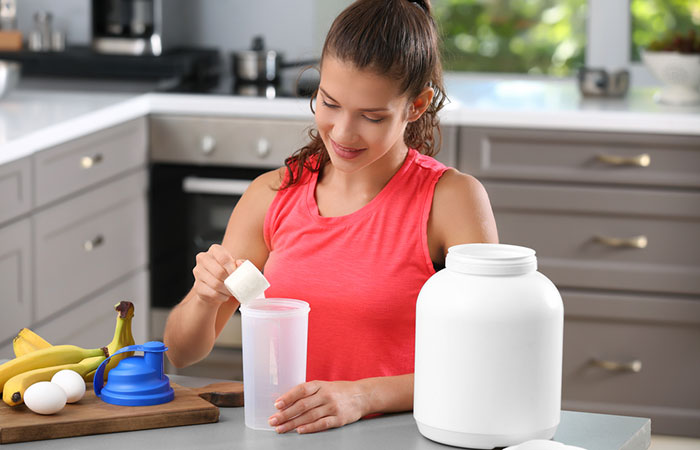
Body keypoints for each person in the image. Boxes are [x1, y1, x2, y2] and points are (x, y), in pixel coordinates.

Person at [163, 0, 498, 435]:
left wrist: (359, 395)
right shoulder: (272, 195)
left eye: (372, 117)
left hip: (407, 437)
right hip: (287, 436)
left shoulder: (450, 200)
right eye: (329, 102)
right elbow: (181, 353)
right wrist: (204, 298)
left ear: (416, 105)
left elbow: (487, 359)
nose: (342, 132)